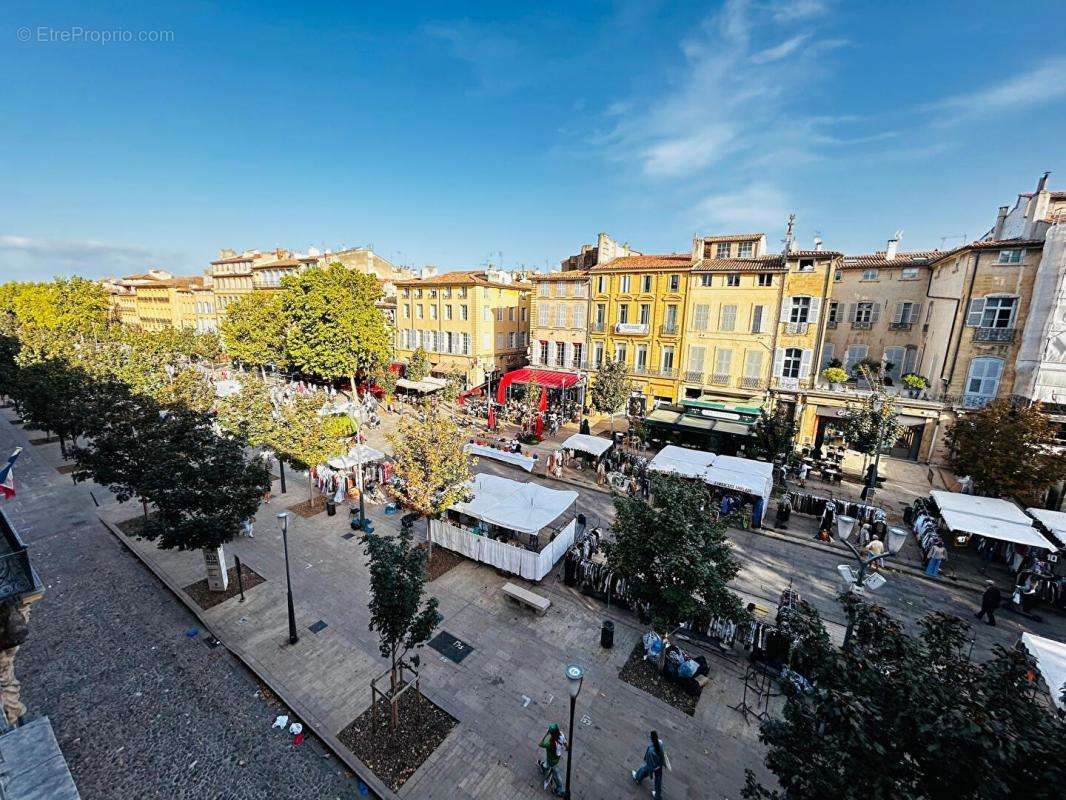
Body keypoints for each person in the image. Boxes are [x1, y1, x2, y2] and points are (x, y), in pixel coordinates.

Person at [631, 730, 666, 799]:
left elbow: (650, 762)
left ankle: (637, 777)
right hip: (659, 765)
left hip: (653, 766)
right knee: (658, 780)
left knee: (644, 770)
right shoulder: (660, 743)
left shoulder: (651, 751)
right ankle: (657, 796)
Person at [537, 723, 566, 796]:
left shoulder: (550, 744)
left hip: (552, 760)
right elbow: (566, 744)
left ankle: (560, 790)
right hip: (555, 758)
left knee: (556, 774)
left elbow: (540, 744)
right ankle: (544, 767)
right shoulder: (561, 735)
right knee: (548, 763)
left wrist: (546, 735)